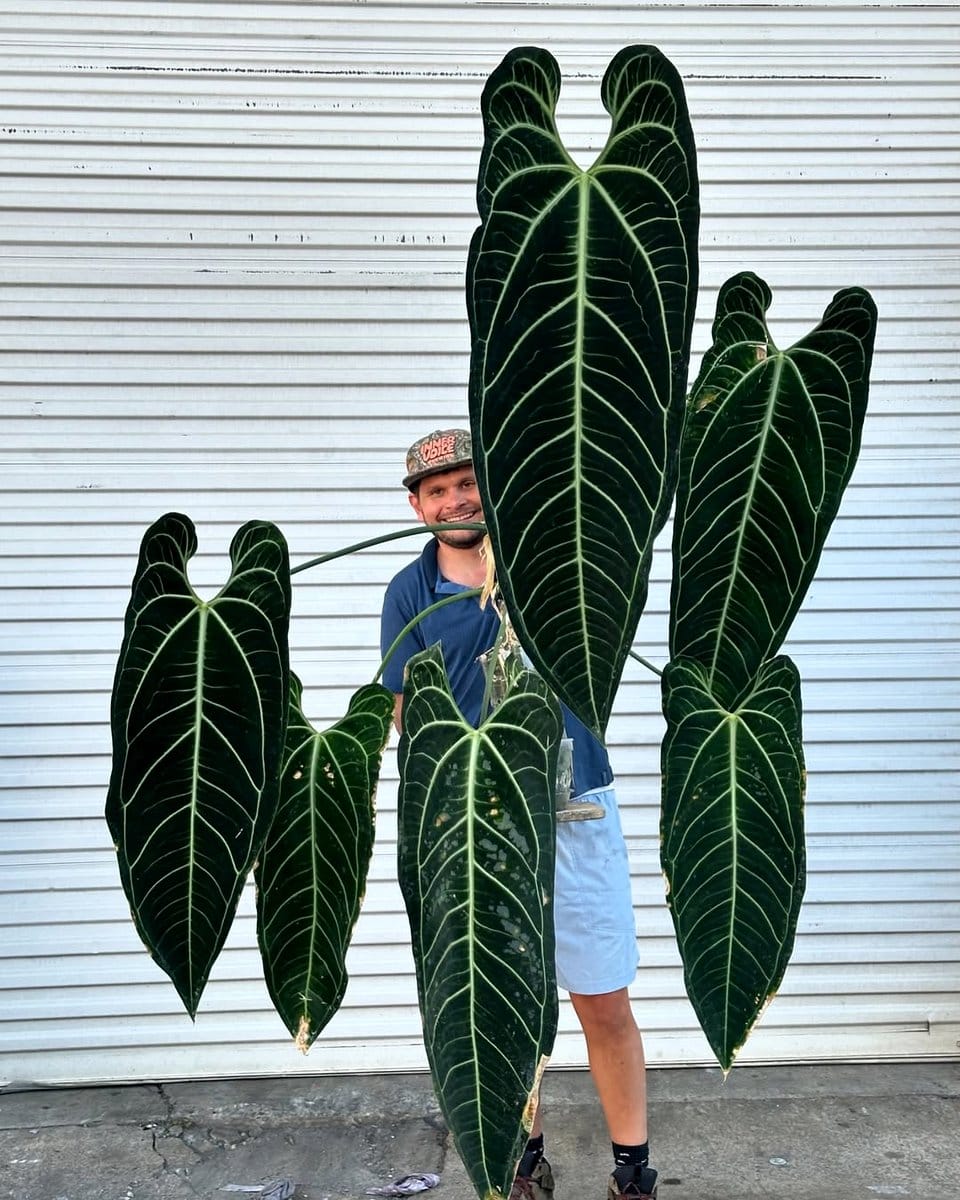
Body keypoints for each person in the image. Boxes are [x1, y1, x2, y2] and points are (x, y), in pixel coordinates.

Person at [380, 429, 658, 1200]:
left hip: (574, 807)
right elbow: (407, 713)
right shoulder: (411, 592)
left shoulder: (547, 564)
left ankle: (633, 1172)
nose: (454, 499)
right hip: (479, 822)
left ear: (491, 487)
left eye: (467, 482)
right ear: (416, 505)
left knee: (602, 999)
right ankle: (521, 1157)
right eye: (436, 491)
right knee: (495, 992)